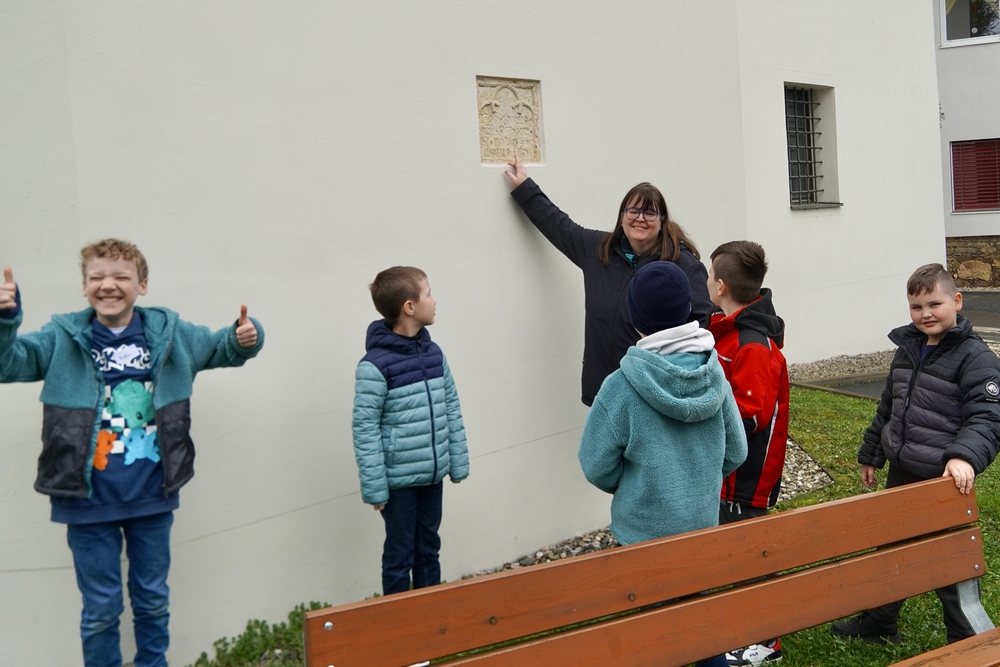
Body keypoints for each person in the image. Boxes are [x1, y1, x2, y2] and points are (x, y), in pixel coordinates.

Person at [0, 239, 265, 667]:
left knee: (153, 600)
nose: (108, 285)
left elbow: (221, 347)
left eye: (121, 276)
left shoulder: (170, 332)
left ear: (142, 285)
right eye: (97, 277)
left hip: (152, 496)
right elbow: (8, 363)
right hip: (85, 501)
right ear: (84, 286)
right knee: (101, 610)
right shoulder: (61, 337)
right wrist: (5, 320)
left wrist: (245, 337)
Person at [578, 261, 747, 667]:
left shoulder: (621, 387)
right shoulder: (714, 374)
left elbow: (595, 464)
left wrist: (636, 483)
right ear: (687, 309)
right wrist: (699, 477)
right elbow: (736, 452)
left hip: (642, 538)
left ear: (634, 319)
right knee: (701, 627)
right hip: (700, 532)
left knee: (650, 636)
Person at [832, 263, 1000, 645]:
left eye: (934, 304)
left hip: (944, 479)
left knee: (949, 561)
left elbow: (989, 417)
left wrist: (963, 456)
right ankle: (880, 621)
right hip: (903, 469)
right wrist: (872, 453)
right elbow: (889, 405)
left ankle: (966, 640)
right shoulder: (909, 349)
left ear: (957, 301)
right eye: (916, 307)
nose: (925, 314)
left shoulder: (976, 358)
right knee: (891, 548)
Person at [504, 156, 713, 406]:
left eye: (650, 213)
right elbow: (560, 226)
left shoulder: (682, 265)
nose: (640, 218)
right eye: (633, 211)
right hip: (604, 389)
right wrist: (525, 188)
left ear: (662, 221)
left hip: (653, 393)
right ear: (622, 217)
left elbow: (701, 326)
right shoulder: (600, 251)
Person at [352, 266, 469, 596]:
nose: (435, 300)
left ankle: (430, 618)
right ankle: (398, 621)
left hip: (432, 476)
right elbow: (364, 428)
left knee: (428, 549)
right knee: (399, 556)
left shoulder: (434, 354)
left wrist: (457, 462)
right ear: (409, 307)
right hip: (398, 484)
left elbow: (451, 408)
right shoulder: (375, 366)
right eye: (428, 293)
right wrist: (376, 487)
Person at [706, 241, 789, 666]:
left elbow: (750, 415)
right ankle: (740, 623)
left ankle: (766, 639)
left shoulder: (753, 345)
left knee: (751, 553)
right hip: (729, 471)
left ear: (720, 286)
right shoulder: (727, 330)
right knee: (732, 549)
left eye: (709, 276)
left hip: (748, 474)